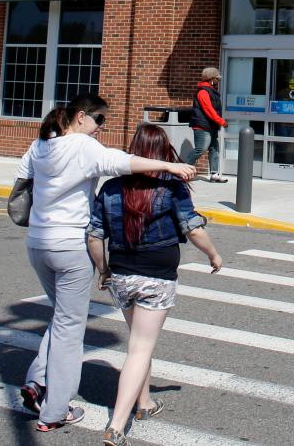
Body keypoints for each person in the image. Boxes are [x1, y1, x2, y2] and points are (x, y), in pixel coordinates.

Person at [16, 93, 196, 432]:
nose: (102, 127)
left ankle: (36, 381)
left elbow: (22, 179)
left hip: (37, 242)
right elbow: (123, 162)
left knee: (61, 317)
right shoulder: (82, 147)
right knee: (70, 328)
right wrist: (169, 165)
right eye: (100, 120)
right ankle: (54, 411)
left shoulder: (41, 144)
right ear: (81, 117)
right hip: (69, 246)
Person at [87, 123, 223, 446]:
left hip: (121, 273)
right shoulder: (171, 186)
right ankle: (117, 426)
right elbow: (193, 229)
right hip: (156, 277)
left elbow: (94, 236)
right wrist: (214, 255)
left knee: (138, 341)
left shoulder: (111, 189)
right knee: (140, 348)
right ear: (162, 153)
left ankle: (144, 404)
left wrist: (103, 270)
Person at [184, 67, 227, 182]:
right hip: (202, 126)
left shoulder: (211, 90)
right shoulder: (203, 92)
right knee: (200, 149)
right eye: (217, 79)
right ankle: (183, 171)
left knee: (214, 149)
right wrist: (221, 121)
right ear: (211, 79)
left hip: (211, 126)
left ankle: (214, 174)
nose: (218, 81)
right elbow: (209, 110)